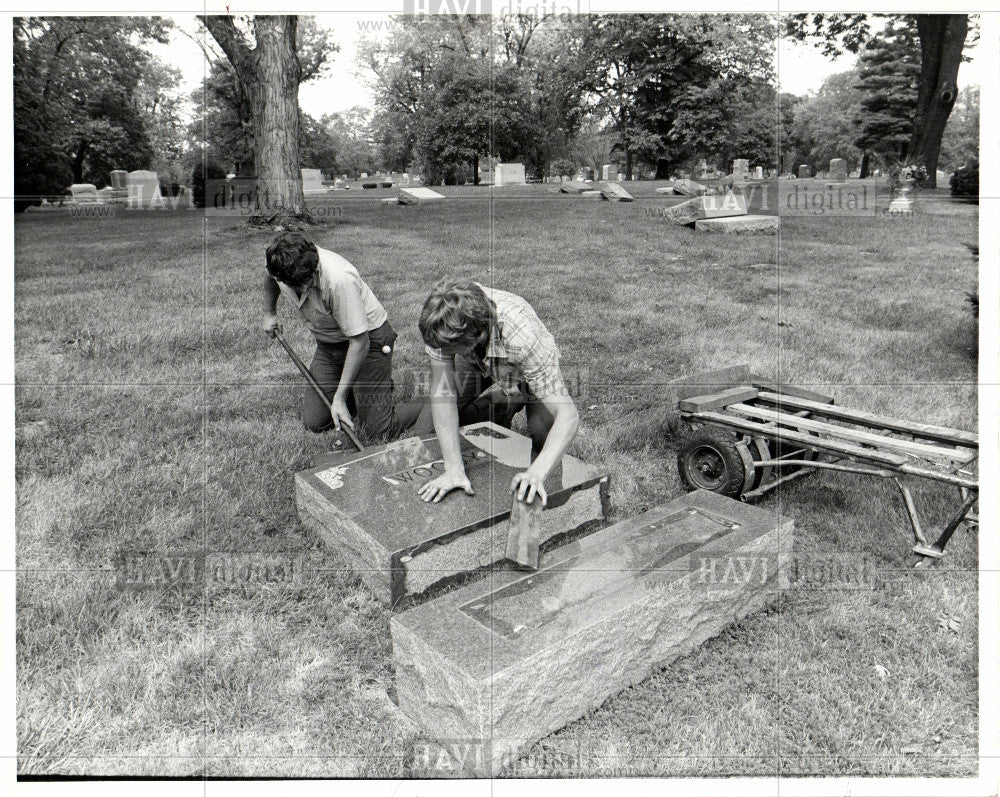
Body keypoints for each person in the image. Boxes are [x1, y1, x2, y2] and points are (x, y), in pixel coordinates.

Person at [412, 279, 580, 507]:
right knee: (428, 432)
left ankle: (516, 395)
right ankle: (501, 406)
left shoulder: (524, 336)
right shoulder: (442, 324)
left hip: (520, 366)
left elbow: (568, 416)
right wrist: (453, 469)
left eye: (447, 349)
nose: (440, 352)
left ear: (476, 335)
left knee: (543, 435)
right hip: (473, 358)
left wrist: (536, 473)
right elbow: (443, 395)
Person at [262, 232, 411, 442]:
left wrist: (339, 399)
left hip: (370, 342)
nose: (309, 285)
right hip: (329, 345)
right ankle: (366, 390)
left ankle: (414, 399)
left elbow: (359, 342)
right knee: (316, 422)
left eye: (312, 277)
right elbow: (270, 276)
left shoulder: (339, 279)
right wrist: (269, 313)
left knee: (378, 432)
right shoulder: (279, 261)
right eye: (302, 283)